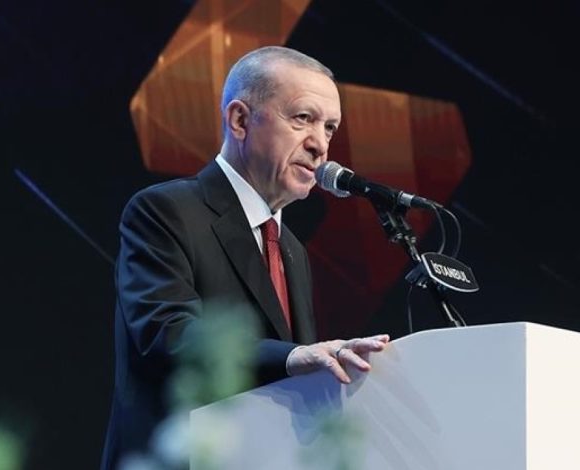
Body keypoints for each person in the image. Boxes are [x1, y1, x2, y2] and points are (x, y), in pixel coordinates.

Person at [101, 46, 389, 469]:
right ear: (240, 120)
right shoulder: (165, 211)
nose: (320, 145)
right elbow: (167, 333)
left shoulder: (291, 249)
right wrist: (292, 356)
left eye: (330, 127)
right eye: (302, 118)